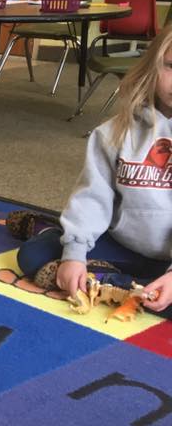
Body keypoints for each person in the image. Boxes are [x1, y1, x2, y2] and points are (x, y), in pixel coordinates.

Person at [11, 24, 172, 316]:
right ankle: (60, 237)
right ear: (152, 66)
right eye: (171, 66)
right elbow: (94, 197)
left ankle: (114, 283)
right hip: (123, 243)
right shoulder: (114, 132)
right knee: (33, 254)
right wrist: (74, 254)